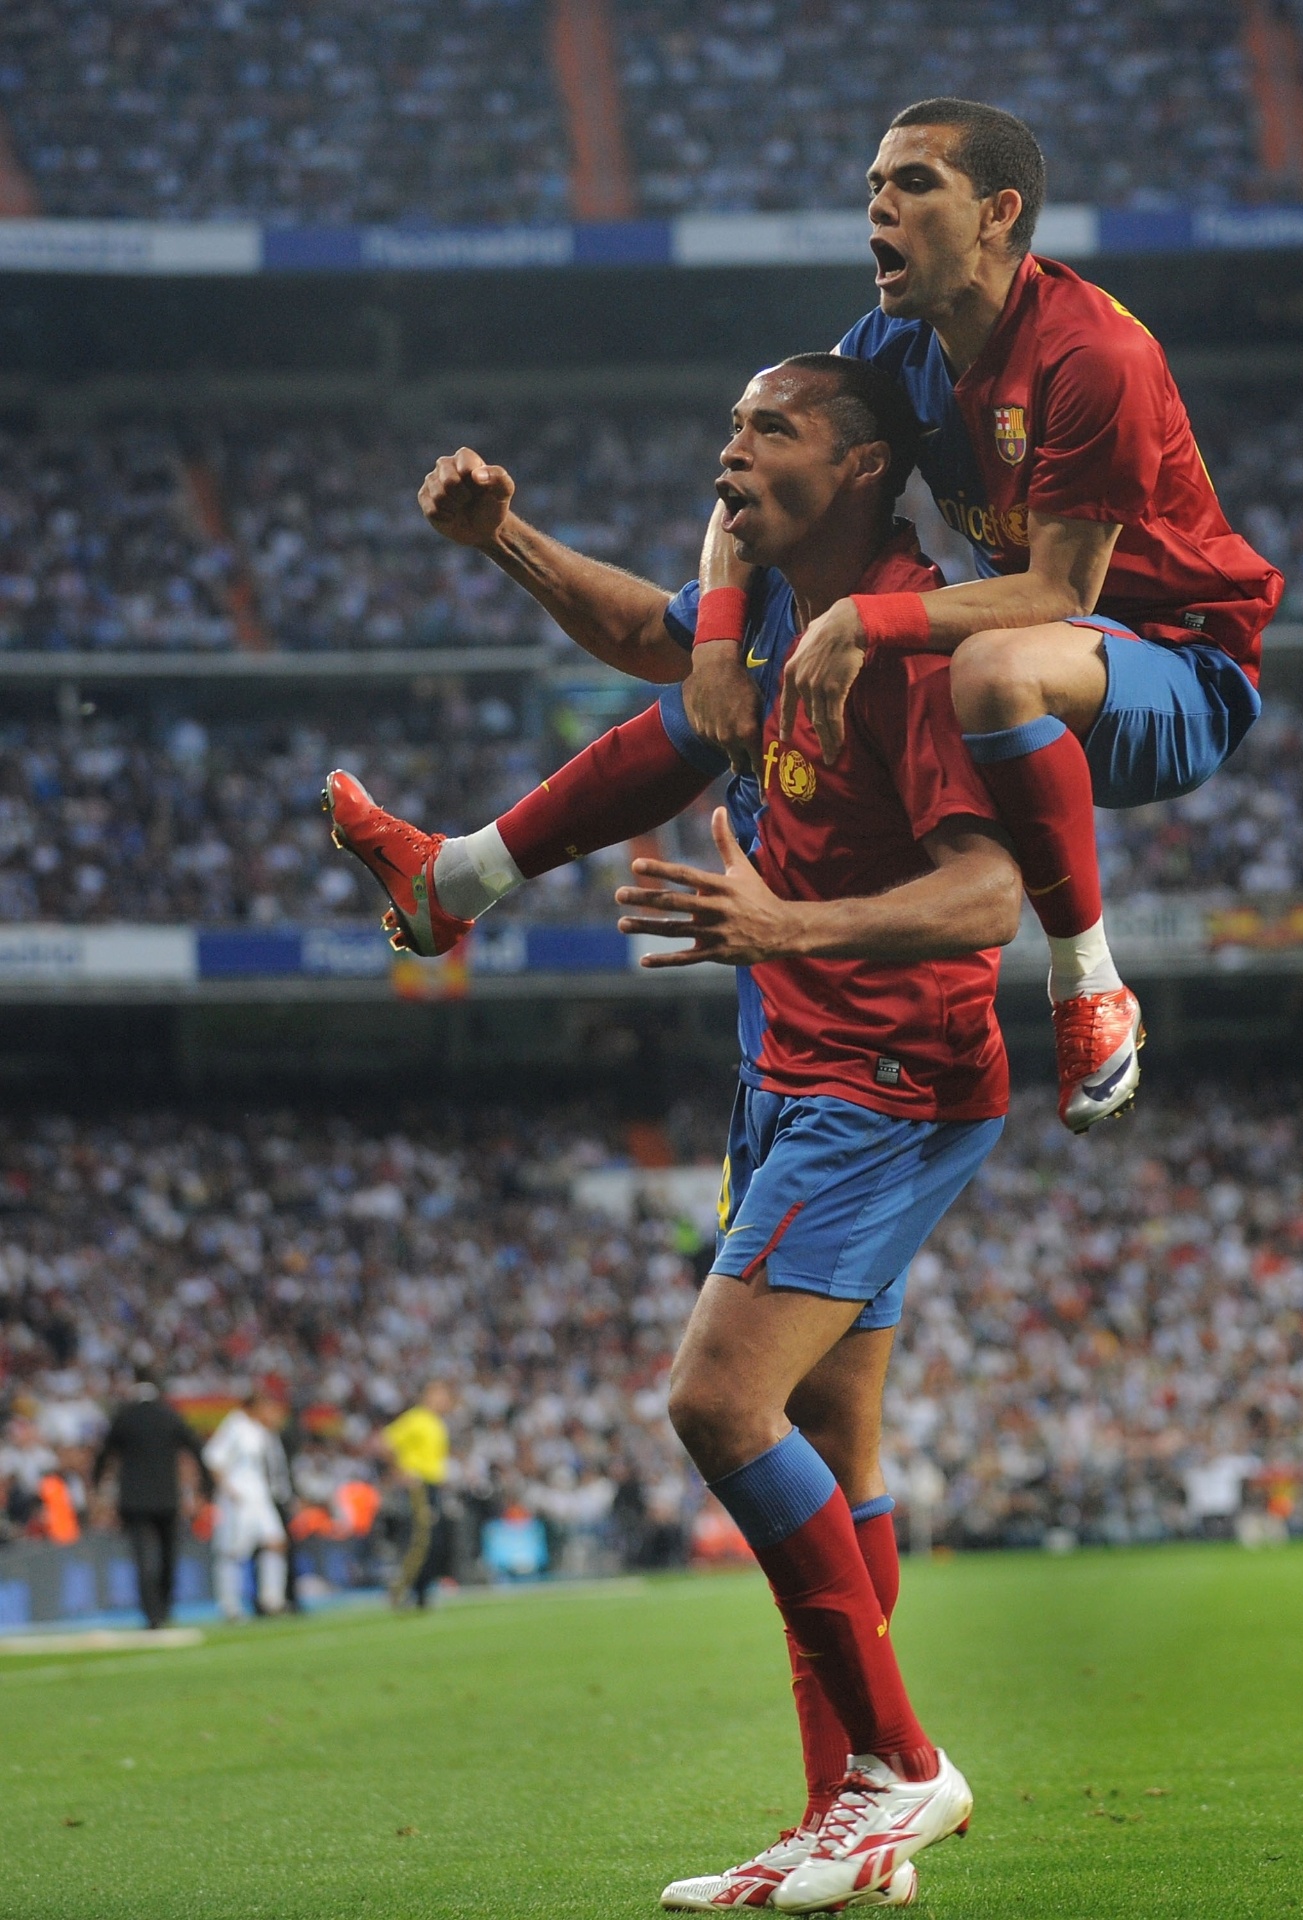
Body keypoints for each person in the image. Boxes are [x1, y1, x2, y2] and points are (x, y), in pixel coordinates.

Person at [326, 354, 1023, 1910]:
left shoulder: (914, 657)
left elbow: (996, 896)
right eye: (727, 424)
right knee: (832, 1466)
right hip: (794, 1068)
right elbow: (650, 638)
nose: (729, 450)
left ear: (855, 472)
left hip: (883, 1080)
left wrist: (786, 923)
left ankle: (900, 1771)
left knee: (717, 1406)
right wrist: (505, 540)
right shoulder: (772, 605)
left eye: (765, 428)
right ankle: (850, 1832)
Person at [681, 98, 1283, 1136]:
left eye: (914, 183)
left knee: (989, 668)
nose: (878, 205)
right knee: (768, 599)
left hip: (1180, 665)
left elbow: (1061, 594)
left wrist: (867, 620)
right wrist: (714, 651)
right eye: (874, 185)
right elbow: (762, 481)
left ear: (998, 213)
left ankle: (1086, 980)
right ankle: (476, 868)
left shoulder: (1095, 355)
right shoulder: (891, 342)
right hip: (1052, 654)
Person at [92, 1369, 214, 1630]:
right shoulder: (169, 1415)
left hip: (133, 1501)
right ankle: (166, 1606)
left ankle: (152, 1614)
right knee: (169, 1555)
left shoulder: (124, 1416)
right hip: (167, 1498)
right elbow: (196, 1448)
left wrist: (96, 1484)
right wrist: (206, 1486)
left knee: (142, 1557)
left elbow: (104, 1455)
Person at [203, 1389, 291, 1623]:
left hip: (261, 1496)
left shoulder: (262, 1431)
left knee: (275, 1543)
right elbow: (213, 1456)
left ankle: (273, 1600)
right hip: (239, 1498)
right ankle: (230, 1606)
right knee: (233, 1552)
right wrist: (228, 1489)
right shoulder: (235, 1425)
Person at [379, 1380, 455, 1609]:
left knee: (433, 1540)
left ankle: (422, 1591)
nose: (445, 1400)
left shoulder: (436, 1423)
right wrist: (400, 1472)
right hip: (419, 1486)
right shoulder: (416, 1419)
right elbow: (385, 1442)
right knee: (419, 1539)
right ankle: (401, 1589)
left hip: (432, 1485)